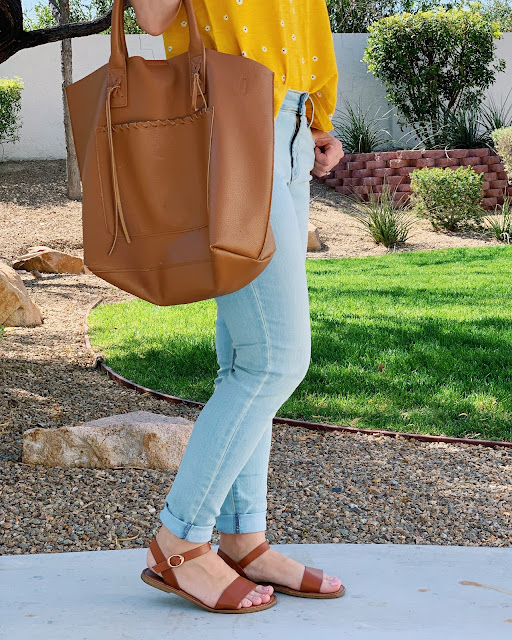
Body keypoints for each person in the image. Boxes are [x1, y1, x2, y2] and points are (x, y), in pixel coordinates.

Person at [131, 0, 345, 613]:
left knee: (247, 356)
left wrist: (316, 118)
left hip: (292, 122)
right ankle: (180, 538)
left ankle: (243, 536)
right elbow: (151, 16)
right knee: (275, 359)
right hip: (228, 116)